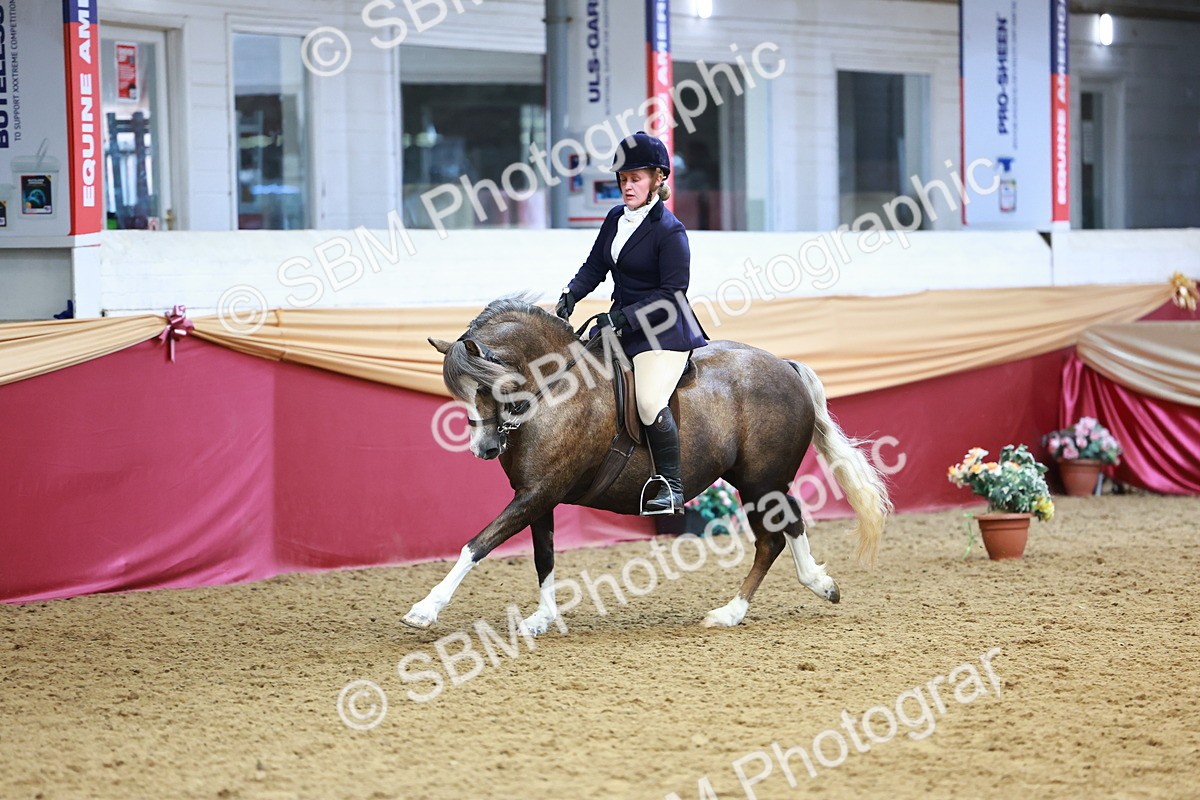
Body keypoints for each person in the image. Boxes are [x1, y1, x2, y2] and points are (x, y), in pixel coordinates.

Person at [555, 131, 707, 515]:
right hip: (619, 326)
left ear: (658, 178)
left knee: (648, 400)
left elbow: (673, 294)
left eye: (635, 178)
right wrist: (572, 294)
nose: (626, 186)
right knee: (577, 374)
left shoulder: (670, 231)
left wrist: (623, 317)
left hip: (663, 331)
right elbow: (595, 266)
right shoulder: (614, 219)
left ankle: (671, 486)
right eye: (622, 179)